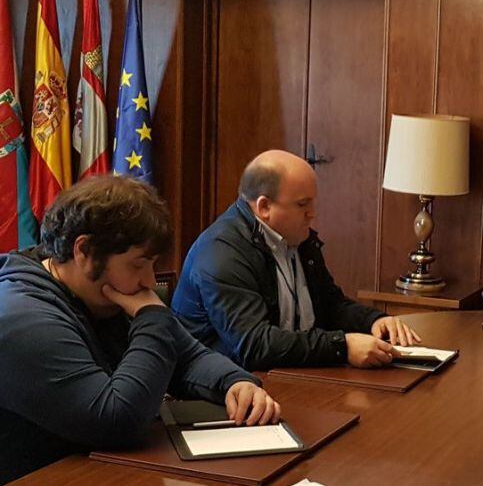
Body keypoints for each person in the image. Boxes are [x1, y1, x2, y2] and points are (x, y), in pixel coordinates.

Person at [0, 176, 280, 483]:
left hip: (100, 469)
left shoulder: (98, 293)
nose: (148, 281)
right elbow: (115, 421)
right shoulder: (21, 317)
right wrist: (152, 317)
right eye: (138, 265)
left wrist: (235, 383)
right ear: (84, 251)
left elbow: (186, 354)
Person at [172, 150, 420, 372]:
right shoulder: (222, 253)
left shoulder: (298, 238)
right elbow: (253, 346)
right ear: (264, 206)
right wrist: (342, 347)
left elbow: (330, 305)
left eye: (313, 202)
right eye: (303, 205)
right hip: (228, 386)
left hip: (291, 371)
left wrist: (374, 321)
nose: (313, 213)